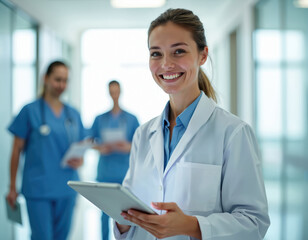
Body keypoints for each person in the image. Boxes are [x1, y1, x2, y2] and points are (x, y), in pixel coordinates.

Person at [114, 8, 270, 240]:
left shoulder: (233, 133)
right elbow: (130, 209)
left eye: (178, 51)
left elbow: (254, 223)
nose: (166, 64)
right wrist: (124, 223)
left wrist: (191, 225)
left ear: (202, 55)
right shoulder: (143, 134)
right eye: (156, 54)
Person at [6, 60, 85, 240]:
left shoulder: (73, 114)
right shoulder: (29, 110)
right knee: (42, 237)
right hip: (38, 189)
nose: (61, 85)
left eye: (65, 80)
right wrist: (12, 186)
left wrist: (80, 160)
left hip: (68, 187)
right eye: (57, 79)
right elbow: (16, 150)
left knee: (61, 237)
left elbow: (81, 148)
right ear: (45, 78)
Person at [91, 80, 139, 240]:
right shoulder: (99, 118)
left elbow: (141, 144)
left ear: (120, 92)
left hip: (124, 171)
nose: (114, 95)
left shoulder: (131, 118)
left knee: (125, 213)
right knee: (104, 213)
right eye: (111, 92)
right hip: (105, 171)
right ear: (109, 93)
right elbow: (90, 141)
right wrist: (100, 148)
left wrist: (128, 146)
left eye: (116, 91)